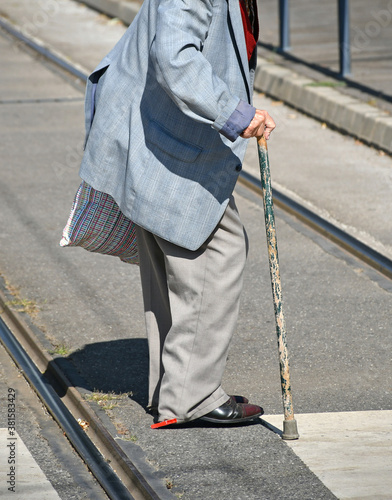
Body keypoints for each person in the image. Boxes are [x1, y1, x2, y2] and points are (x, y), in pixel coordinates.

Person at [79, 0, 275, 427]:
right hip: (159, 135)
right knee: (218, 247)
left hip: (164, 132)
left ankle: (172, 389)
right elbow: (175, 55)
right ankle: (191, 395)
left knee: (175, 254)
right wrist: (235, 114)